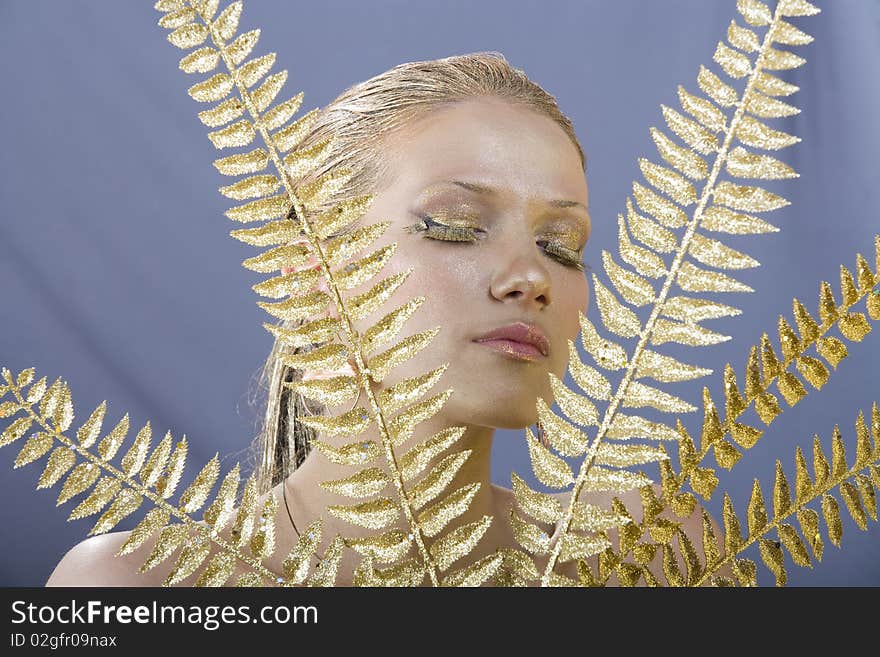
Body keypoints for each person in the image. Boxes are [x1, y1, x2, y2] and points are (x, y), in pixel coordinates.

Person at [46, 52, 725, 587]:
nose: (532, 276)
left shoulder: (647, 560)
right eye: (457, 227)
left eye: (561, 246)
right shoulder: (140, 587)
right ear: (313, 271)